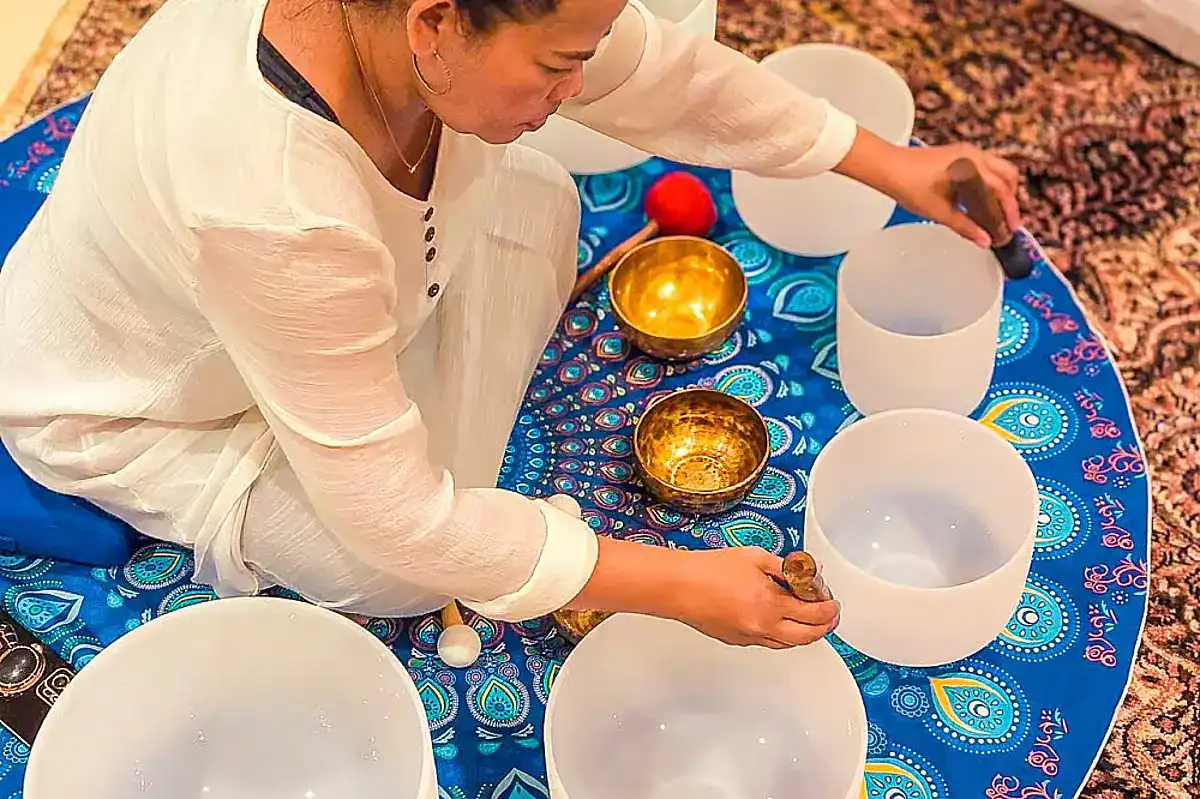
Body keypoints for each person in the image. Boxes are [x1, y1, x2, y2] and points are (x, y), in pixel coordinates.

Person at [0, 0, 1021, 649]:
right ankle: (381, 449)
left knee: (540, 201)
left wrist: (897, 164)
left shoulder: (429, 31)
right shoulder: (273, 202)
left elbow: (667, 78)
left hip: (311, 309)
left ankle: (393, 431)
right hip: (162, 406)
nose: (577, 88)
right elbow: (396, 521)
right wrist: (669, 584)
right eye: (555, 67)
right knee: (393, 562)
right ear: (436, 23)